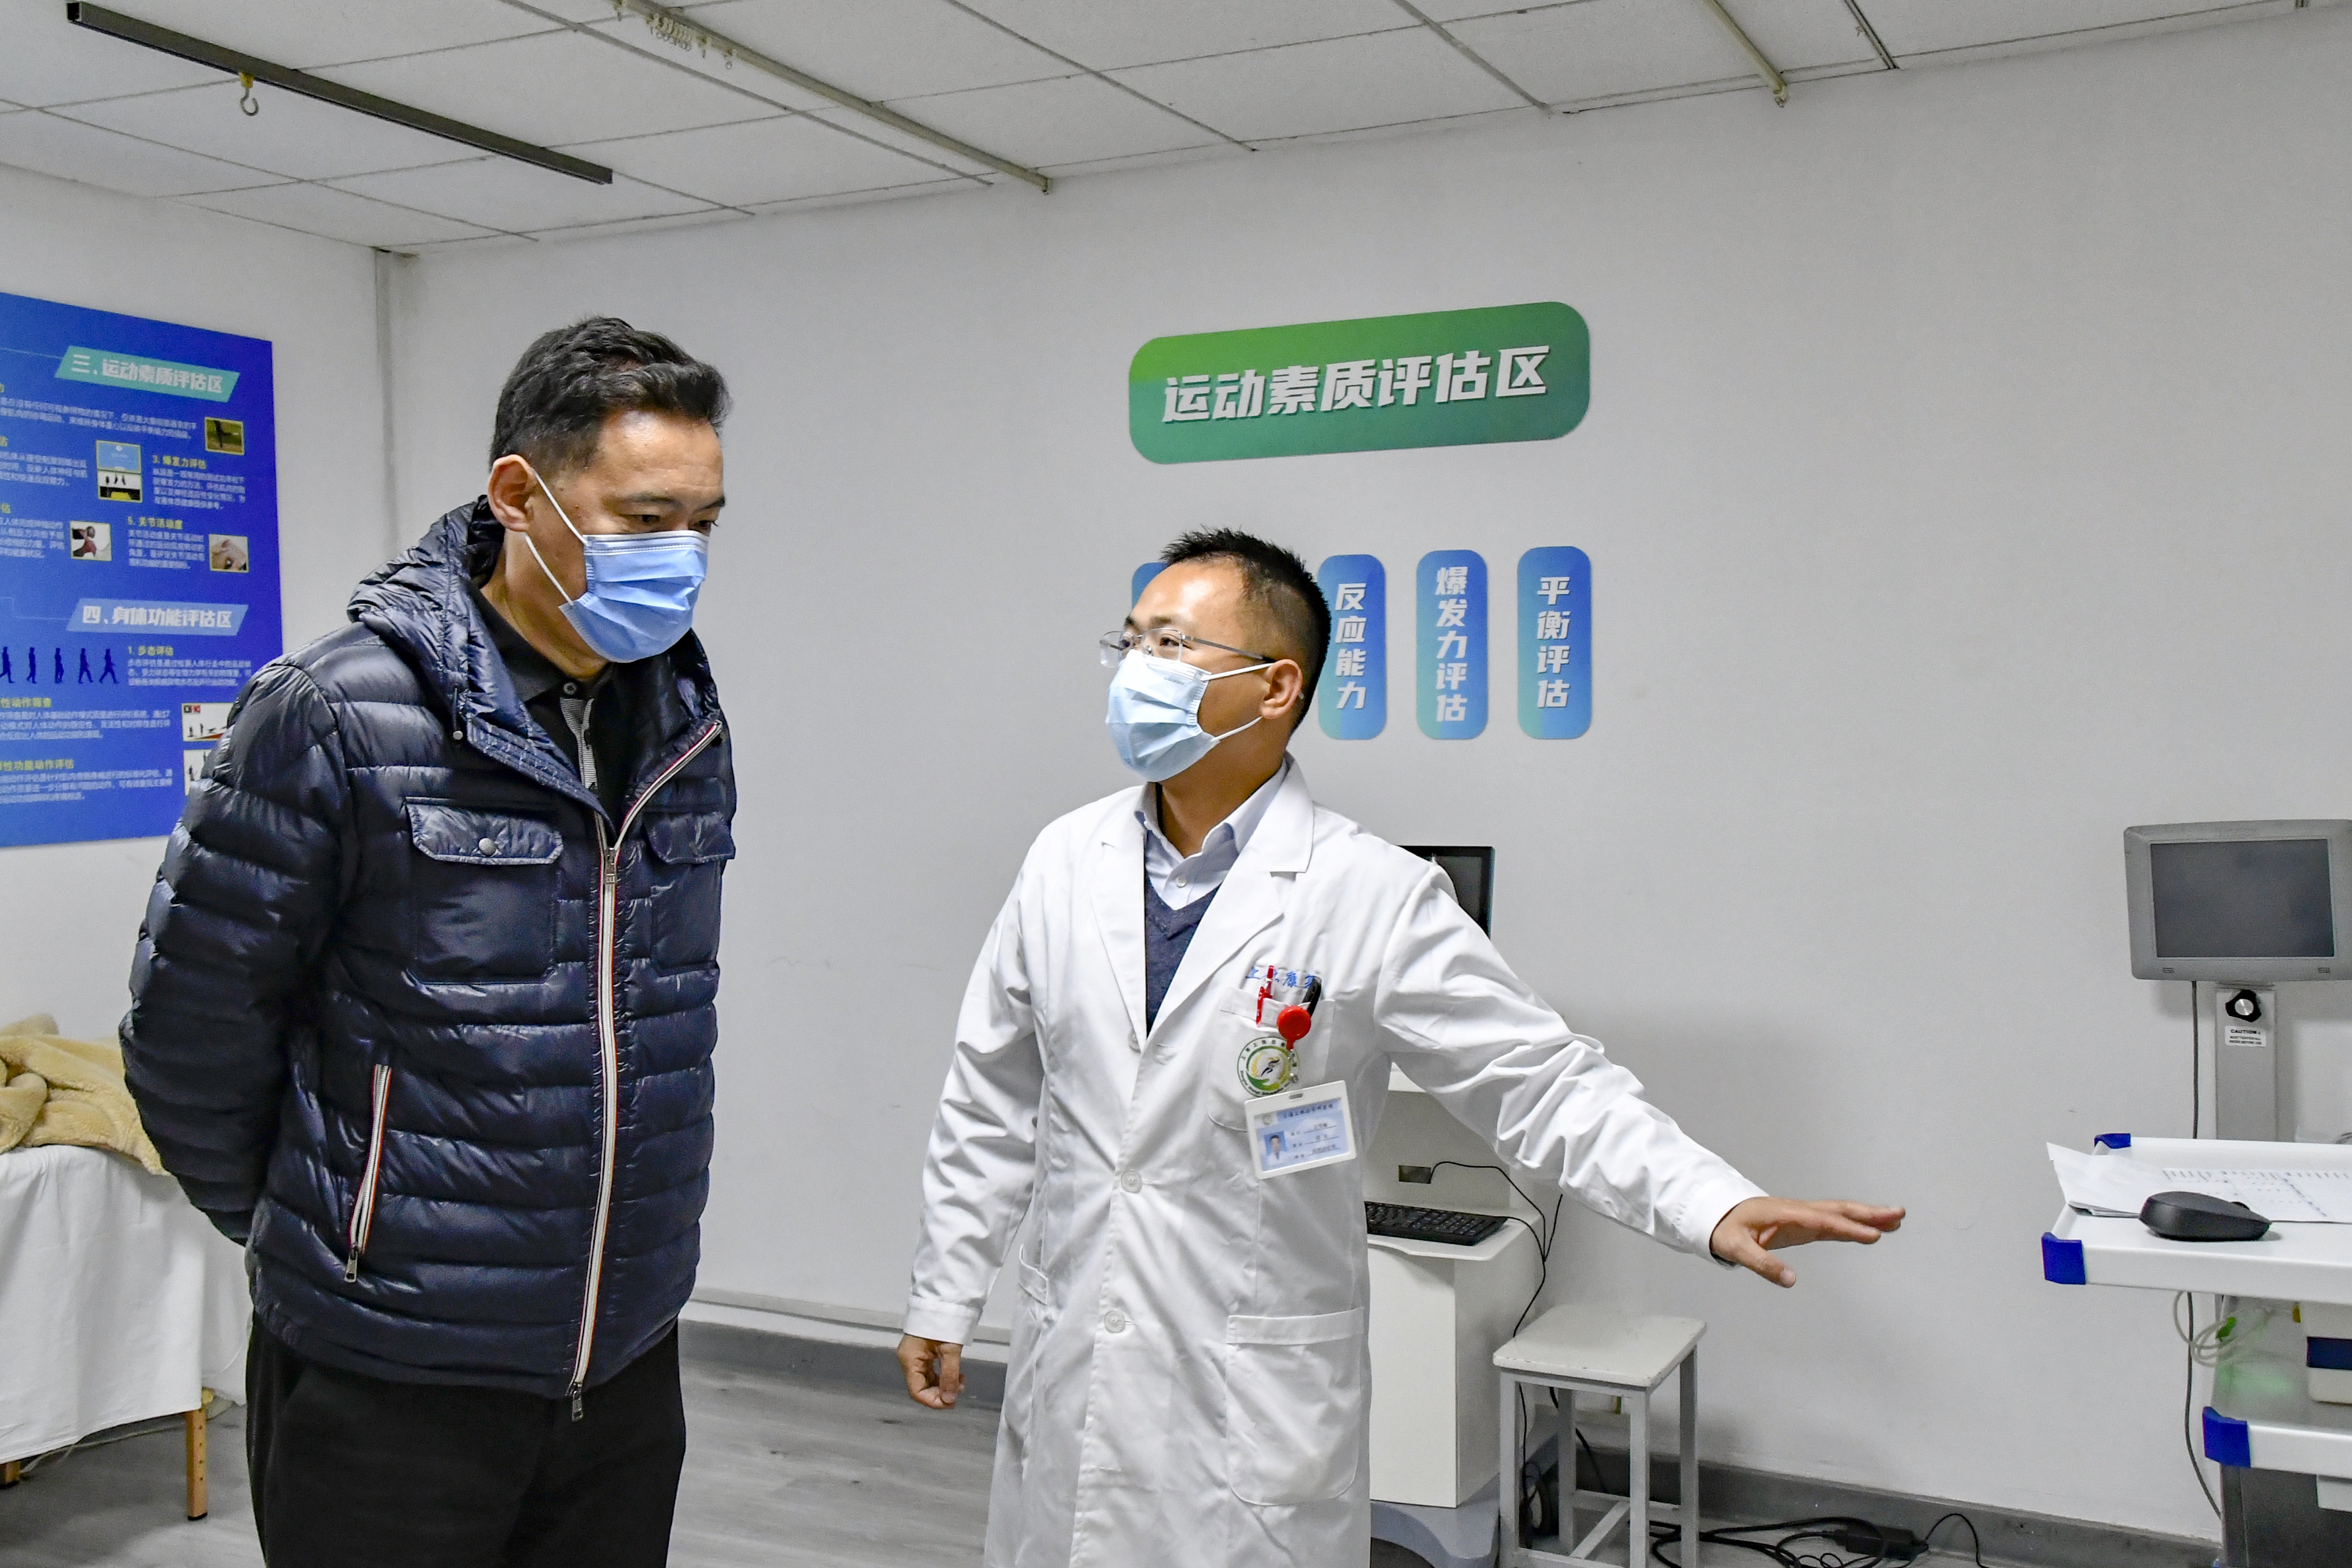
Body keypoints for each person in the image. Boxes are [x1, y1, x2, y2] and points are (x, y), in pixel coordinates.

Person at [897, 528, 1903, 1568]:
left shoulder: (1371, 891)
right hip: (1074, 1363)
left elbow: (1539, 1080)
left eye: (1173, 644)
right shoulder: (1064, 860)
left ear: (1276, 685)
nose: (1136, 669)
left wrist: (1709, 1201)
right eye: (1132, 639)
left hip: (1249, 1399)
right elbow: (991, 1096)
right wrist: (946, 1290)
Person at [121, 318, 736, 1568]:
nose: (680, 557)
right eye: (643, 519)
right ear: (518, 494)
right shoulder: (336, 714)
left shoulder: (683, 722)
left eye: (702, 524)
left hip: (622, 1354)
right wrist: (341, 1238)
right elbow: (191, 1035)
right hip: (390, 1374)